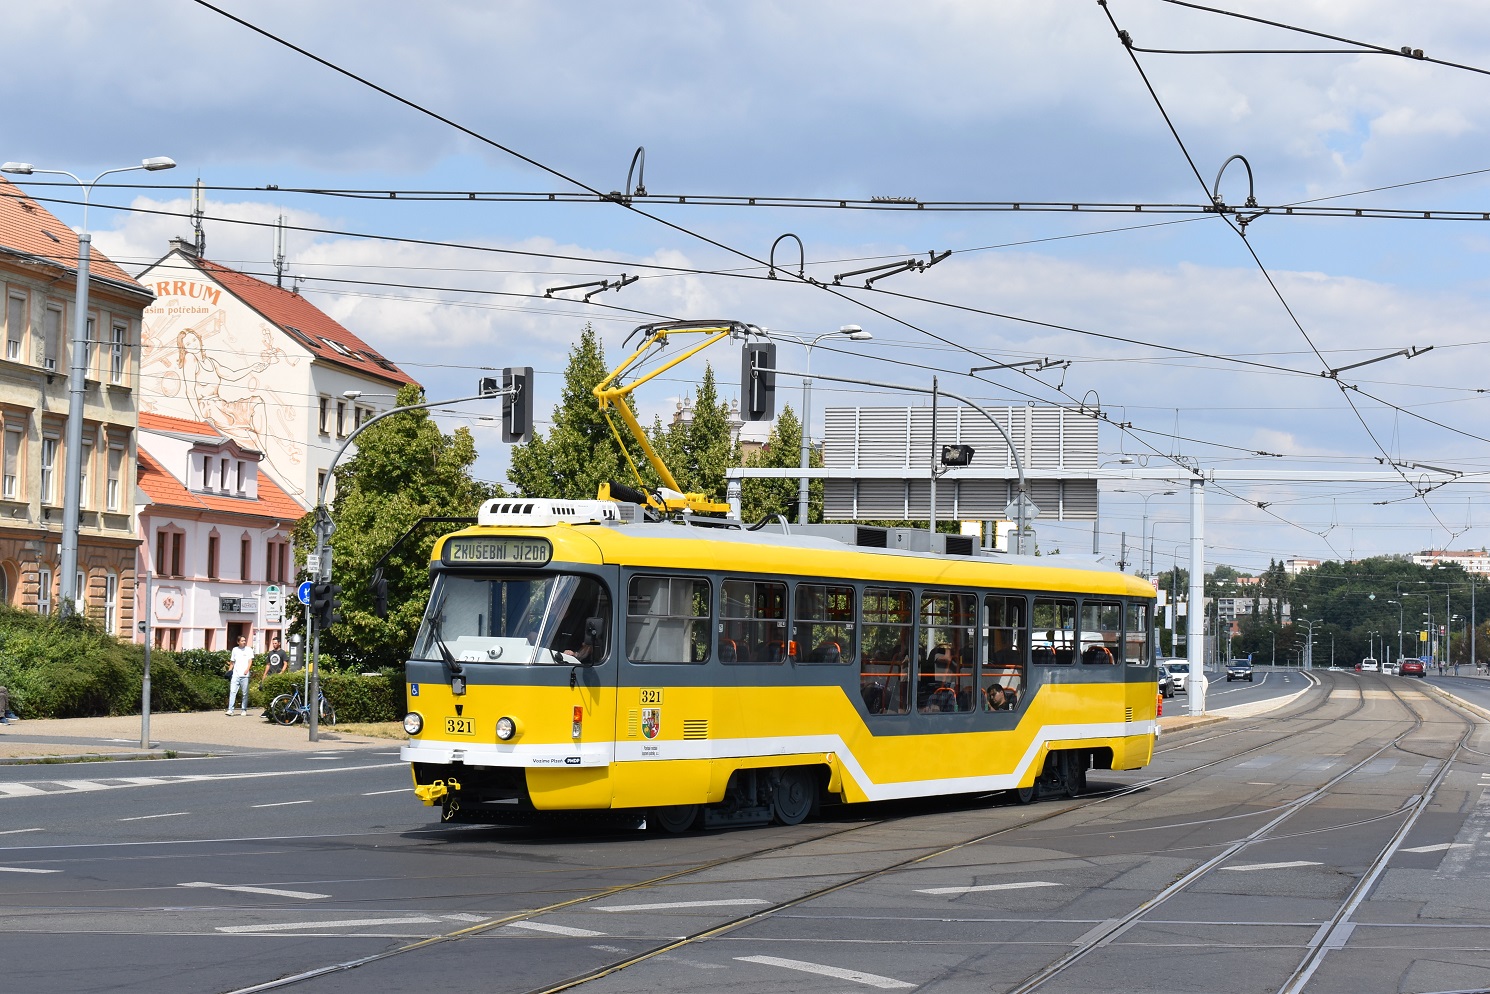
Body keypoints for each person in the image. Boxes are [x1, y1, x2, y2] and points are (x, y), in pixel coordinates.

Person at [227, 636, 255, 715]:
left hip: (245, 675)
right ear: (238, 642)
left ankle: (244, 709)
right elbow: (232, 662)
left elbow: (250, 661)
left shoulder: (249, 650)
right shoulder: (235, 650)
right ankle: (230, 710)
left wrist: (247, 669)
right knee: (232, 692)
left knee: (244, 693)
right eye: (242, 641)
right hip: (236, 674)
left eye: (244, 640)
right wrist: (229, 671)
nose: (244, 642)